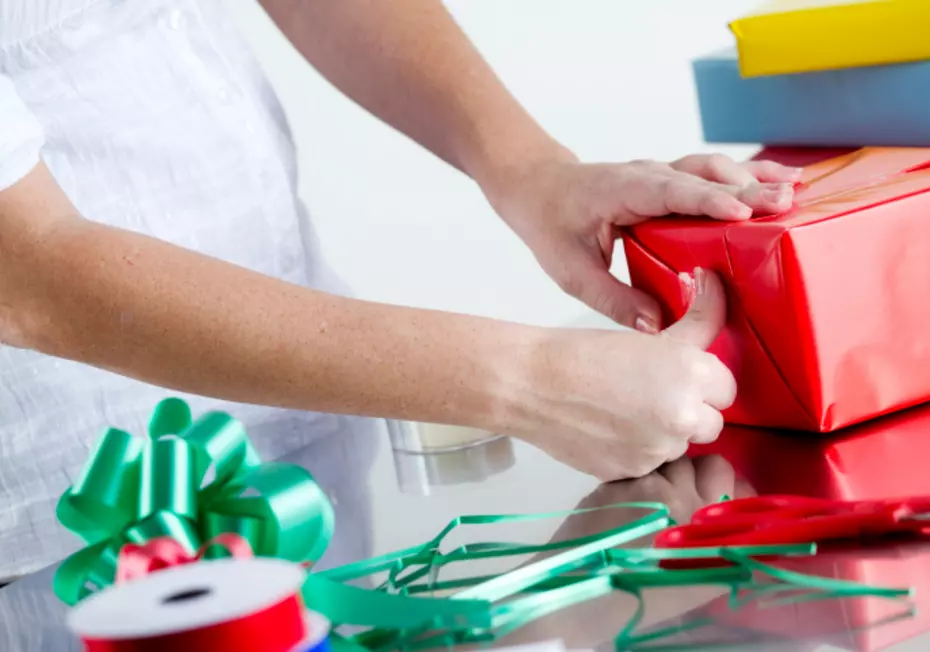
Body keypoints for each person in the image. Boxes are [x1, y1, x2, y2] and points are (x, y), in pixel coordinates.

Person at [0, 0, 799, 579]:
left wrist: (532, 171)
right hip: (74, 538)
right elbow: (27, 275)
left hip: (303, 457)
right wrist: (528, 383)